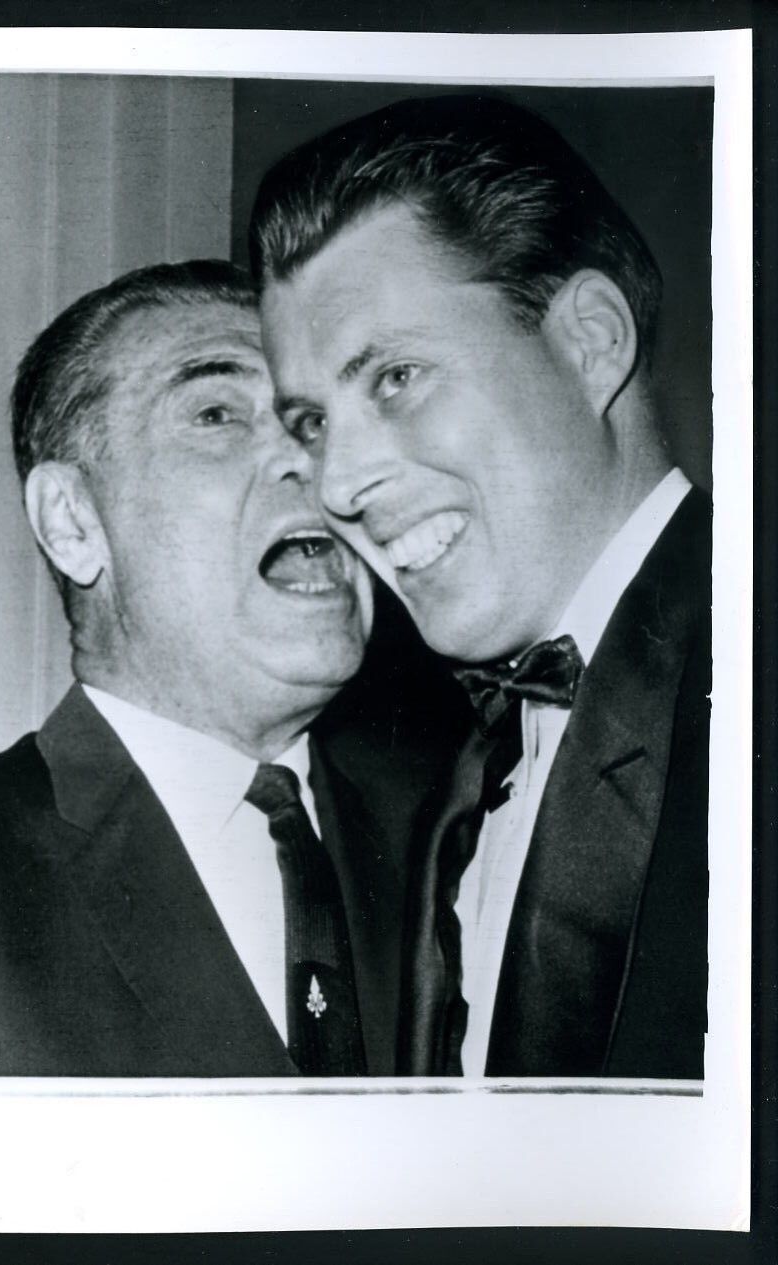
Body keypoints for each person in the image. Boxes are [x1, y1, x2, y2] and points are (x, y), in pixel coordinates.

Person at [0, 261, 462, 1077]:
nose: (310, 466)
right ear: (72, 522)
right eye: (218, 414)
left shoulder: (455, 833)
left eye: (311, 424)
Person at [251, 94, 709, 1078]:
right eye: (312, 422)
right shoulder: (451, 770)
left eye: (396, 376)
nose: (335, 485)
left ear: (589, 340)